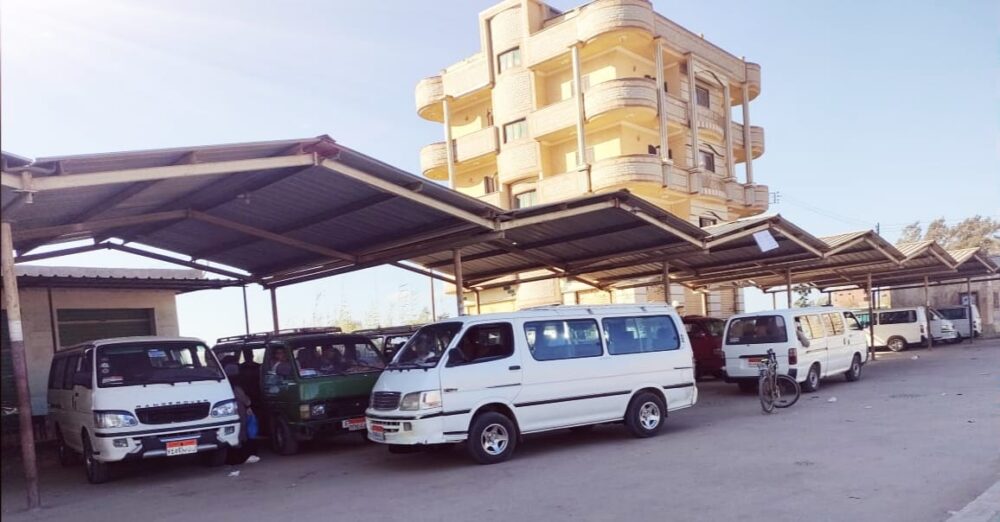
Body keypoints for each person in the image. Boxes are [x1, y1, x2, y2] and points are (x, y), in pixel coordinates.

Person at [224, 363, 256, 463]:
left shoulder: (223, 386)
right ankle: (239, 456)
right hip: (239, 412)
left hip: (227, 413)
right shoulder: (236, 387)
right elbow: (245, 400)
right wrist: (248, 405)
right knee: (241, 432)